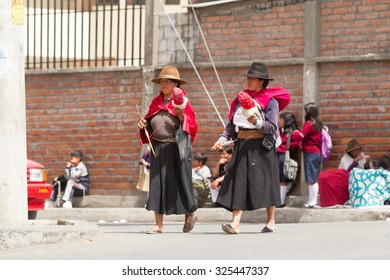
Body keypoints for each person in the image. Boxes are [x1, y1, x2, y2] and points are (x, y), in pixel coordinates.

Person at [211, 62, 290, 234]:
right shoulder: (240, 100)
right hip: (241, 145)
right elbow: (232, 126)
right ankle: (235, 223)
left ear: (262, 81)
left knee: (266, 182)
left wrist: (258, 122)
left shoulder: (271, 101)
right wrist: (222, 139)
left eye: (252, 78)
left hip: (261, 147)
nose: (248, 81)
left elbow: (272, 127)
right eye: (248, 77)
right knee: (238, 182)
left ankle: (270, 220)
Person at [137, 65, 198, 234]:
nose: (163, 85)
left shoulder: (183, 102)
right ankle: (159, 225)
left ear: (176, 85)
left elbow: (191, 125)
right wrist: (144, 125)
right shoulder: (156, 102)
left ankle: (190, 213)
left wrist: (180, 114)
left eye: (167, 82)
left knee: (182, 181)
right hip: (158, 147)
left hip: (178, 147)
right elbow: (150, 122)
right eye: (161, 81)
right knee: (157, 184)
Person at [318, 139, 374, 207]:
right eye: (356, 150)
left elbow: (368, 172)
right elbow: (346, 174)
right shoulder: (345, 159)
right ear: (351, 151)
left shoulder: (363, 156)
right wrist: (355, 162)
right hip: (348, 183)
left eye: (359, 149)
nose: (358, 151)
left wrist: (367, 163)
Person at [292, 102, 322, 208]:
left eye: (305, 111)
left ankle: (313, 201)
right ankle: (311, 200)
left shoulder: (309, 124)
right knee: (313, 177)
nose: (304, 113)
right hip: (316, 153)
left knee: (312, 178)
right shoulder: (318, 123)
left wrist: (295, 132)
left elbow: (300, 136)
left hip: (310, 153)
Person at [276, 111, 300, 207]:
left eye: (281, 119)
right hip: (278, 156)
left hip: (284, 157)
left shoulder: (293, 133)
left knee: (283, 180)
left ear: (287, 121)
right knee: (278, 180)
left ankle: (281, 202)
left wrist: (286, 145)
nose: (279, 121)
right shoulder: (280, 130)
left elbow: (297, 144)